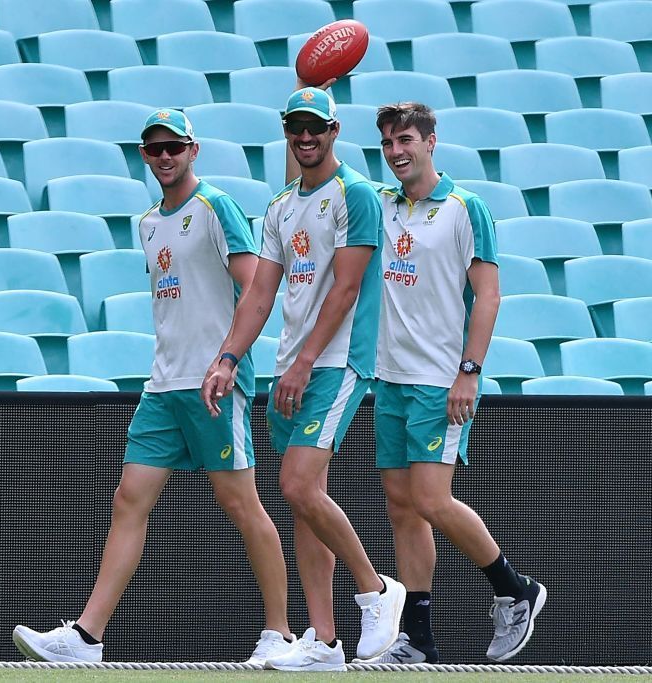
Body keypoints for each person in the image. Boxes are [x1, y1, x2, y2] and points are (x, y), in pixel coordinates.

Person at [13, 109, 295, 668]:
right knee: (128, 500)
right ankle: (87, 639)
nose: (163, 157)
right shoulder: (148, 222)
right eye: (153, 149)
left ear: (193, 150)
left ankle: (280, 634)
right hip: (164, 384)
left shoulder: (215, 207)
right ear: (144, 155)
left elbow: (256, 287)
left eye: (173, 147)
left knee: (240, 503)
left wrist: (228, 360)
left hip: (214, 382)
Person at [202, 88, 406, 673]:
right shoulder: (280, 206)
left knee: (296, 485)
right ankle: (324, 640)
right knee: (303, 503)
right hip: (291, 362)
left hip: (337, 362)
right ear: (287, 133)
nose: (305, 136)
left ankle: (375, 590)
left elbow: (346, 288)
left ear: (334, 131)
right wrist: (229, 358)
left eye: (315, 126)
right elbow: (260, 291)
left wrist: (303, 360)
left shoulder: (356, 194)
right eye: (295, 127)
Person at [361, 101, 547, 664]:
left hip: (441, 379)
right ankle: (417, 638)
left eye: (407, 140)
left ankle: (516, 591)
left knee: (430, 498)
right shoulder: (383, 205)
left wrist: (469, 371)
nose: (397, 152)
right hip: (389, 378)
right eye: (389, 143)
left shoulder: (467, 208)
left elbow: (488, 295)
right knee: (401, 507)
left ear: (431, 141)